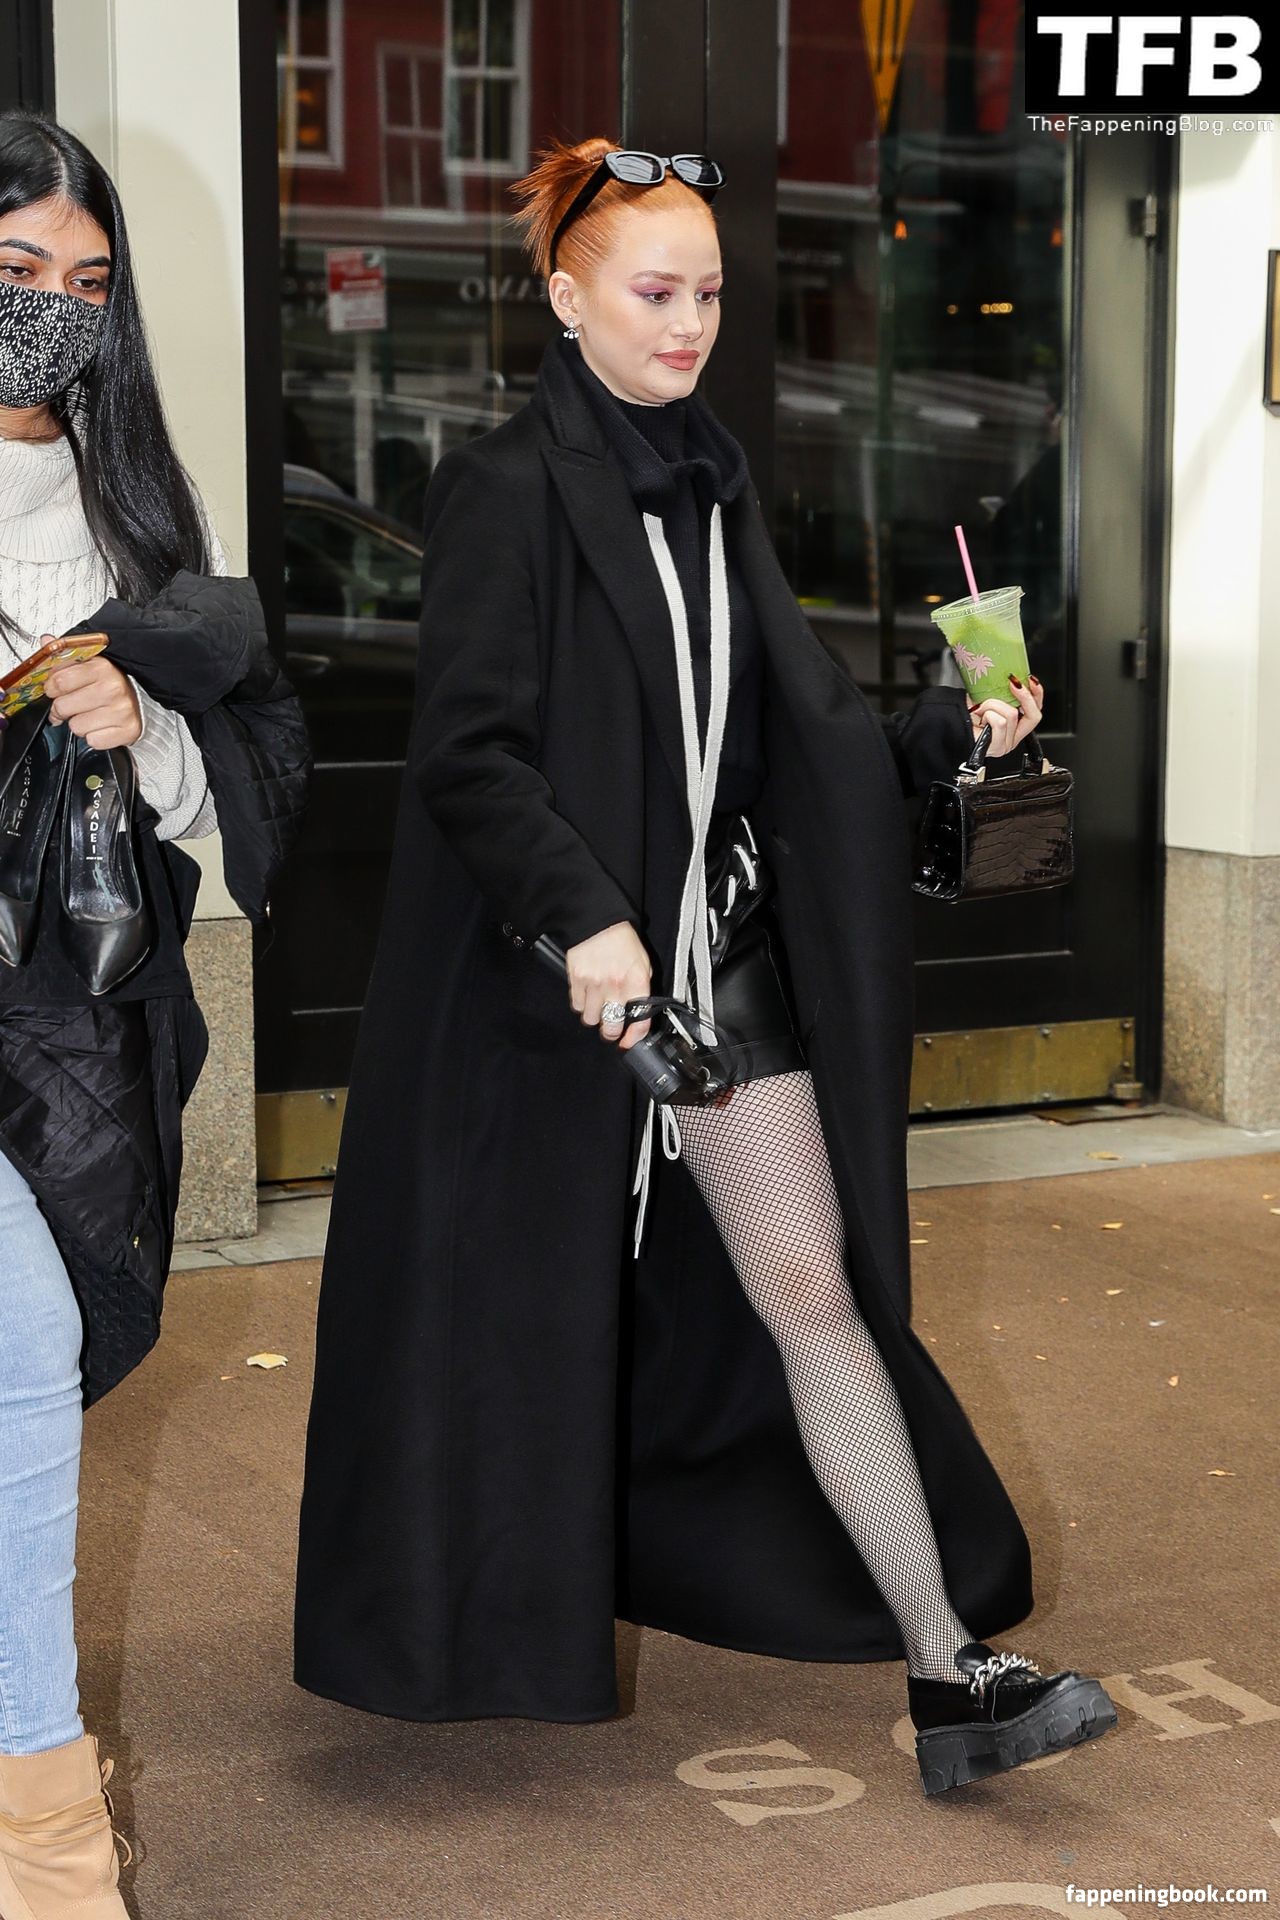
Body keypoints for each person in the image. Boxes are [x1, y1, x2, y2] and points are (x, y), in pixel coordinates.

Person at [294, 137, 1116, 1797]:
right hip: (548, 1000)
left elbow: (786, 741)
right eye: (656, 294)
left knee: (811, 1291)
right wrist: (582, 913)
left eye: (712, 296)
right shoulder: (504, 488)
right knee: (512, 1326)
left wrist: (953, 729)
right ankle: (472, 1635)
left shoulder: (716, 485)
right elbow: (467, 756)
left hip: (716, 978)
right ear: (565, 298)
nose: (690, 326)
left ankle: (950, 1673)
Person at [0, 111, 308, 1916]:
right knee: (23, 1349)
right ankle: (45, 1832)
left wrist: (146, 730)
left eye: (88, 283)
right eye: (16, 271)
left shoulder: (138, 518)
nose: (54, 311)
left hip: (59, 1029)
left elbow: (227, 799)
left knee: (29, 1357)